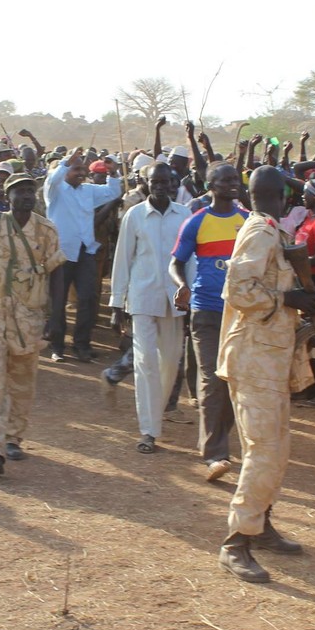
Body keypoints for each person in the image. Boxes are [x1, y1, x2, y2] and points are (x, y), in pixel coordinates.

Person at [217, 166, 315, 583]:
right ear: (281, 195)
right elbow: (238, 290)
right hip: (255, 356)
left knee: (276, 447)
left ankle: (261, 524)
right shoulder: (259, 232)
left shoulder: (271, 231)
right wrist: (288, 297)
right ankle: (236, 541)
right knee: (262, 448)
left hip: (271, 356)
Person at [0, 173, 66, 475]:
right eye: (19, 191)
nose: (26, 196)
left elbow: (57, 273)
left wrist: (57, 316)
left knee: (23, 382)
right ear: (6, 197)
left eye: (30, 191)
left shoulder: (47, 230)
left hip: (29, 318)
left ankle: (13, 437)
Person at [171, 162, 248, 481]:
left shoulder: (247, 221)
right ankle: (215, 453)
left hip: (240, 311)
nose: (233, 184)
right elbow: (176, 262)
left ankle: (221, 442)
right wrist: (181, 285)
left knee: (232, 378)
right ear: (210, 185)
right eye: (225, 180)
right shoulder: (196, 222)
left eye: (236, 179)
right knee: (212, 379)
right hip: (205, 310)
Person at [109, 163, 191, 453]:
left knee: (170, 361)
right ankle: (149, 430)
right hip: (142, 297)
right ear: (145, 183)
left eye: (164, 181)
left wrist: (190, 295)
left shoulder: (184, 215)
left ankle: (156, 413)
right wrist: (116, 303)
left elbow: (189, 260)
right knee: (145, 363)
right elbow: (122, 259)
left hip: (175, 299)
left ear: (172, 183)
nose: (158, 186)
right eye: (153, 181)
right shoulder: (135, 215)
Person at [43, 146, 122, 362]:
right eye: (75, 169)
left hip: (85, 251)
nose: (80, 173)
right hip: (61, 253)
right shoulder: (55, 191)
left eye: (82, 169)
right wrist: (67, 160)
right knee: (58, 301)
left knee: (88, 298)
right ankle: (57, 347)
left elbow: (113, 192)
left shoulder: (88, 191)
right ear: (66, 170)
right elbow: (52, 179)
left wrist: (113, 172)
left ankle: (81, 345)